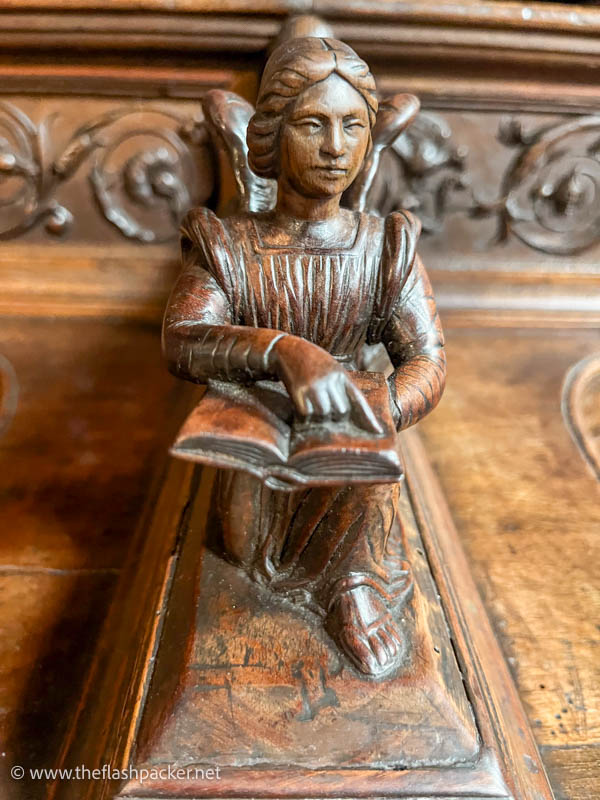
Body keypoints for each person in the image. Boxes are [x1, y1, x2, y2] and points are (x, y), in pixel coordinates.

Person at [163, 37, 446, 678]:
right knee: (245, 528)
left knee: (365, 476)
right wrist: (282, 350)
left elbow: (426, 359)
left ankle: (352, 589)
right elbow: (182, 337)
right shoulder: (230, 245)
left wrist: (383, 406)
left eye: (352, 127)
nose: (334, 147)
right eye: (313, 125)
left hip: (346, 455)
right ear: (270, 135)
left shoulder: (384, 248)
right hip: (258, 446)